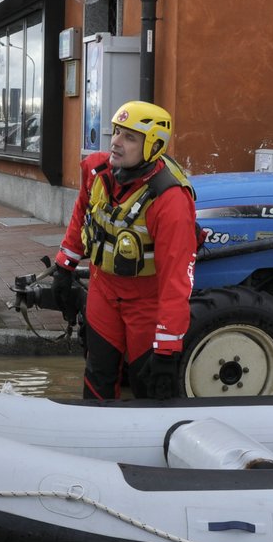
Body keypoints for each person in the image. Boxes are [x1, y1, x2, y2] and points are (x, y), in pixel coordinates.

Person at [53, 101, 199, 401]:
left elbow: (176, 281)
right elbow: (83, 214)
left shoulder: (169, 200)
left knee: (148, 383)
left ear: (154, 146)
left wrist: (168, 349)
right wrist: (64, 266)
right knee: (97, 376)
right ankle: (95, 436)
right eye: (117, 132)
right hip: (103, 289)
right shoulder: (97, 171)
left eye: (129, 137)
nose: (116, 142)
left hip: (147, 301)